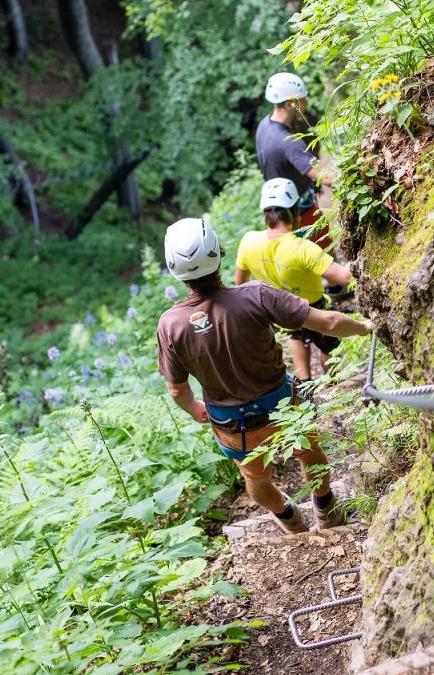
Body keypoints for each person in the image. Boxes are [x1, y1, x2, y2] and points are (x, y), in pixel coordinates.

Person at [157, 217, 371, 534]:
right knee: (309, 451)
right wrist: (368, 327)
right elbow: (326, 322)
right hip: (283, 407)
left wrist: (195, 409)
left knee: (254, 477)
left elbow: (177, 390)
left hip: (232, 423)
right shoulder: (255, 295)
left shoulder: (170, 325)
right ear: (218, 253)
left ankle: (290, 520)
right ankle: (326, 508)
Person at [235, 178, 353, 381]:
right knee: (328, 344)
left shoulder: (248, 242)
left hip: (278, 310)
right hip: (313, 306)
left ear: (266, 213)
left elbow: (241, 285)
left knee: (295, 336)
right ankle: (332, 380)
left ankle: (305, 384)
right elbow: (343, 278)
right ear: (294, 211)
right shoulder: (302, 248)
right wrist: (355, 261)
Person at [256, 72, 333, 249]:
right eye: (302, 99)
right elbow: (325, 177)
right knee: (325, 254)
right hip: (300, 210)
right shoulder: (289, 142)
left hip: (276, 210)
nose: (306, 103)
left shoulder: (263, 125)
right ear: (291, 104)